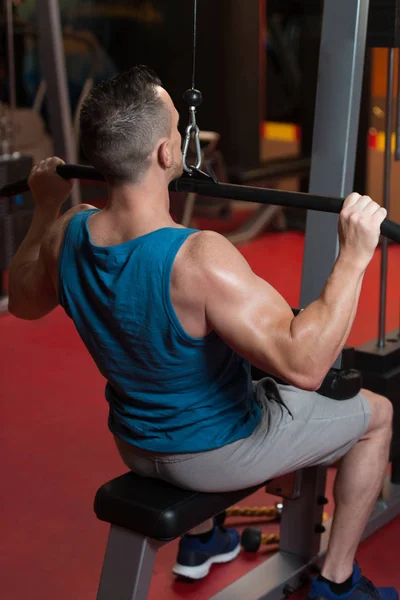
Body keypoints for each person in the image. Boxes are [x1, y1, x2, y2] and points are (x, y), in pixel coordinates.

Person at [7, 65, 397, 600]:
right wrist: (353, 257)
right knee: (377, 415)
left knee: (227, 368)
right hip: (212, 453)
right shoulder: (198, 259)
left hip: (134, 442)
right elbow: (307, 366)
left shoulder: (69, 231)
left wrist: (46, 202)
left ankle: (203, 541)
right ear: (166, 155)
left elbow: (24, 303)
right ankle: (337, 584)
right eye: (176, 129)